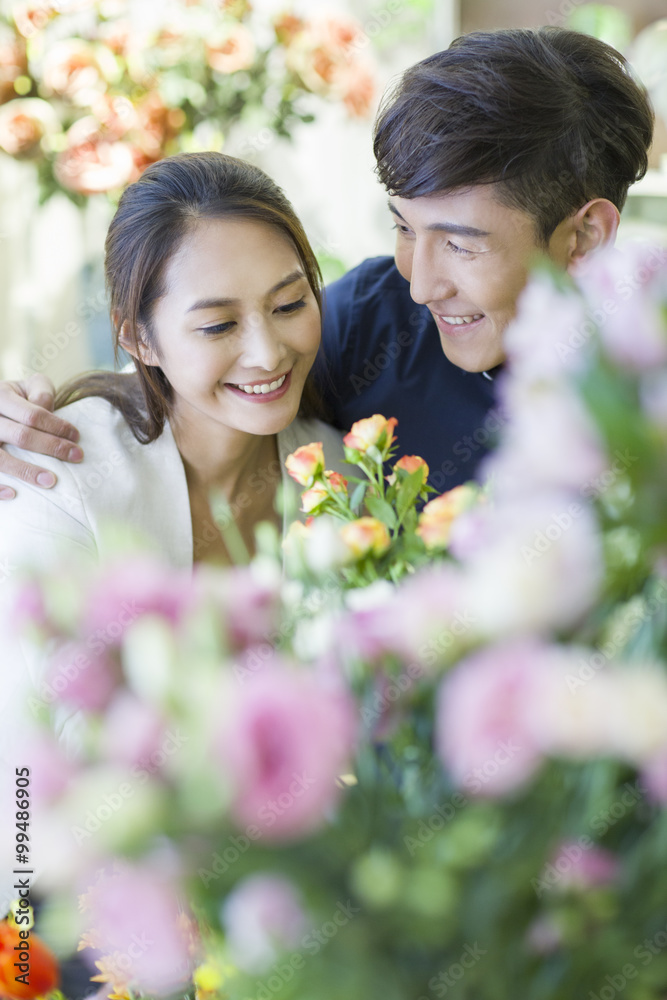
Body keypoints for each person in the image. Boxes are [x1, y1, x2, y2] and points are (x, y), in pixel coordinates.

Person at [0, 26, 654, 497]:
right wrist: (28, 417)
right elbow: (195, 374)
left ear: (585, 237)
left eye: (459, 244)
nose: (421, 285)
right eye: (403, 228)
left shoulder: (646, 382)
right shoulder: (371, 323)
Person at [0, 150, 346, 572]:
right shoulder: (59, 483)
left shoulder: (345, 475)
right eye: (219, 325)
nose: (268, 353)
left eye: (290, 305)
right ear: (137, 337)